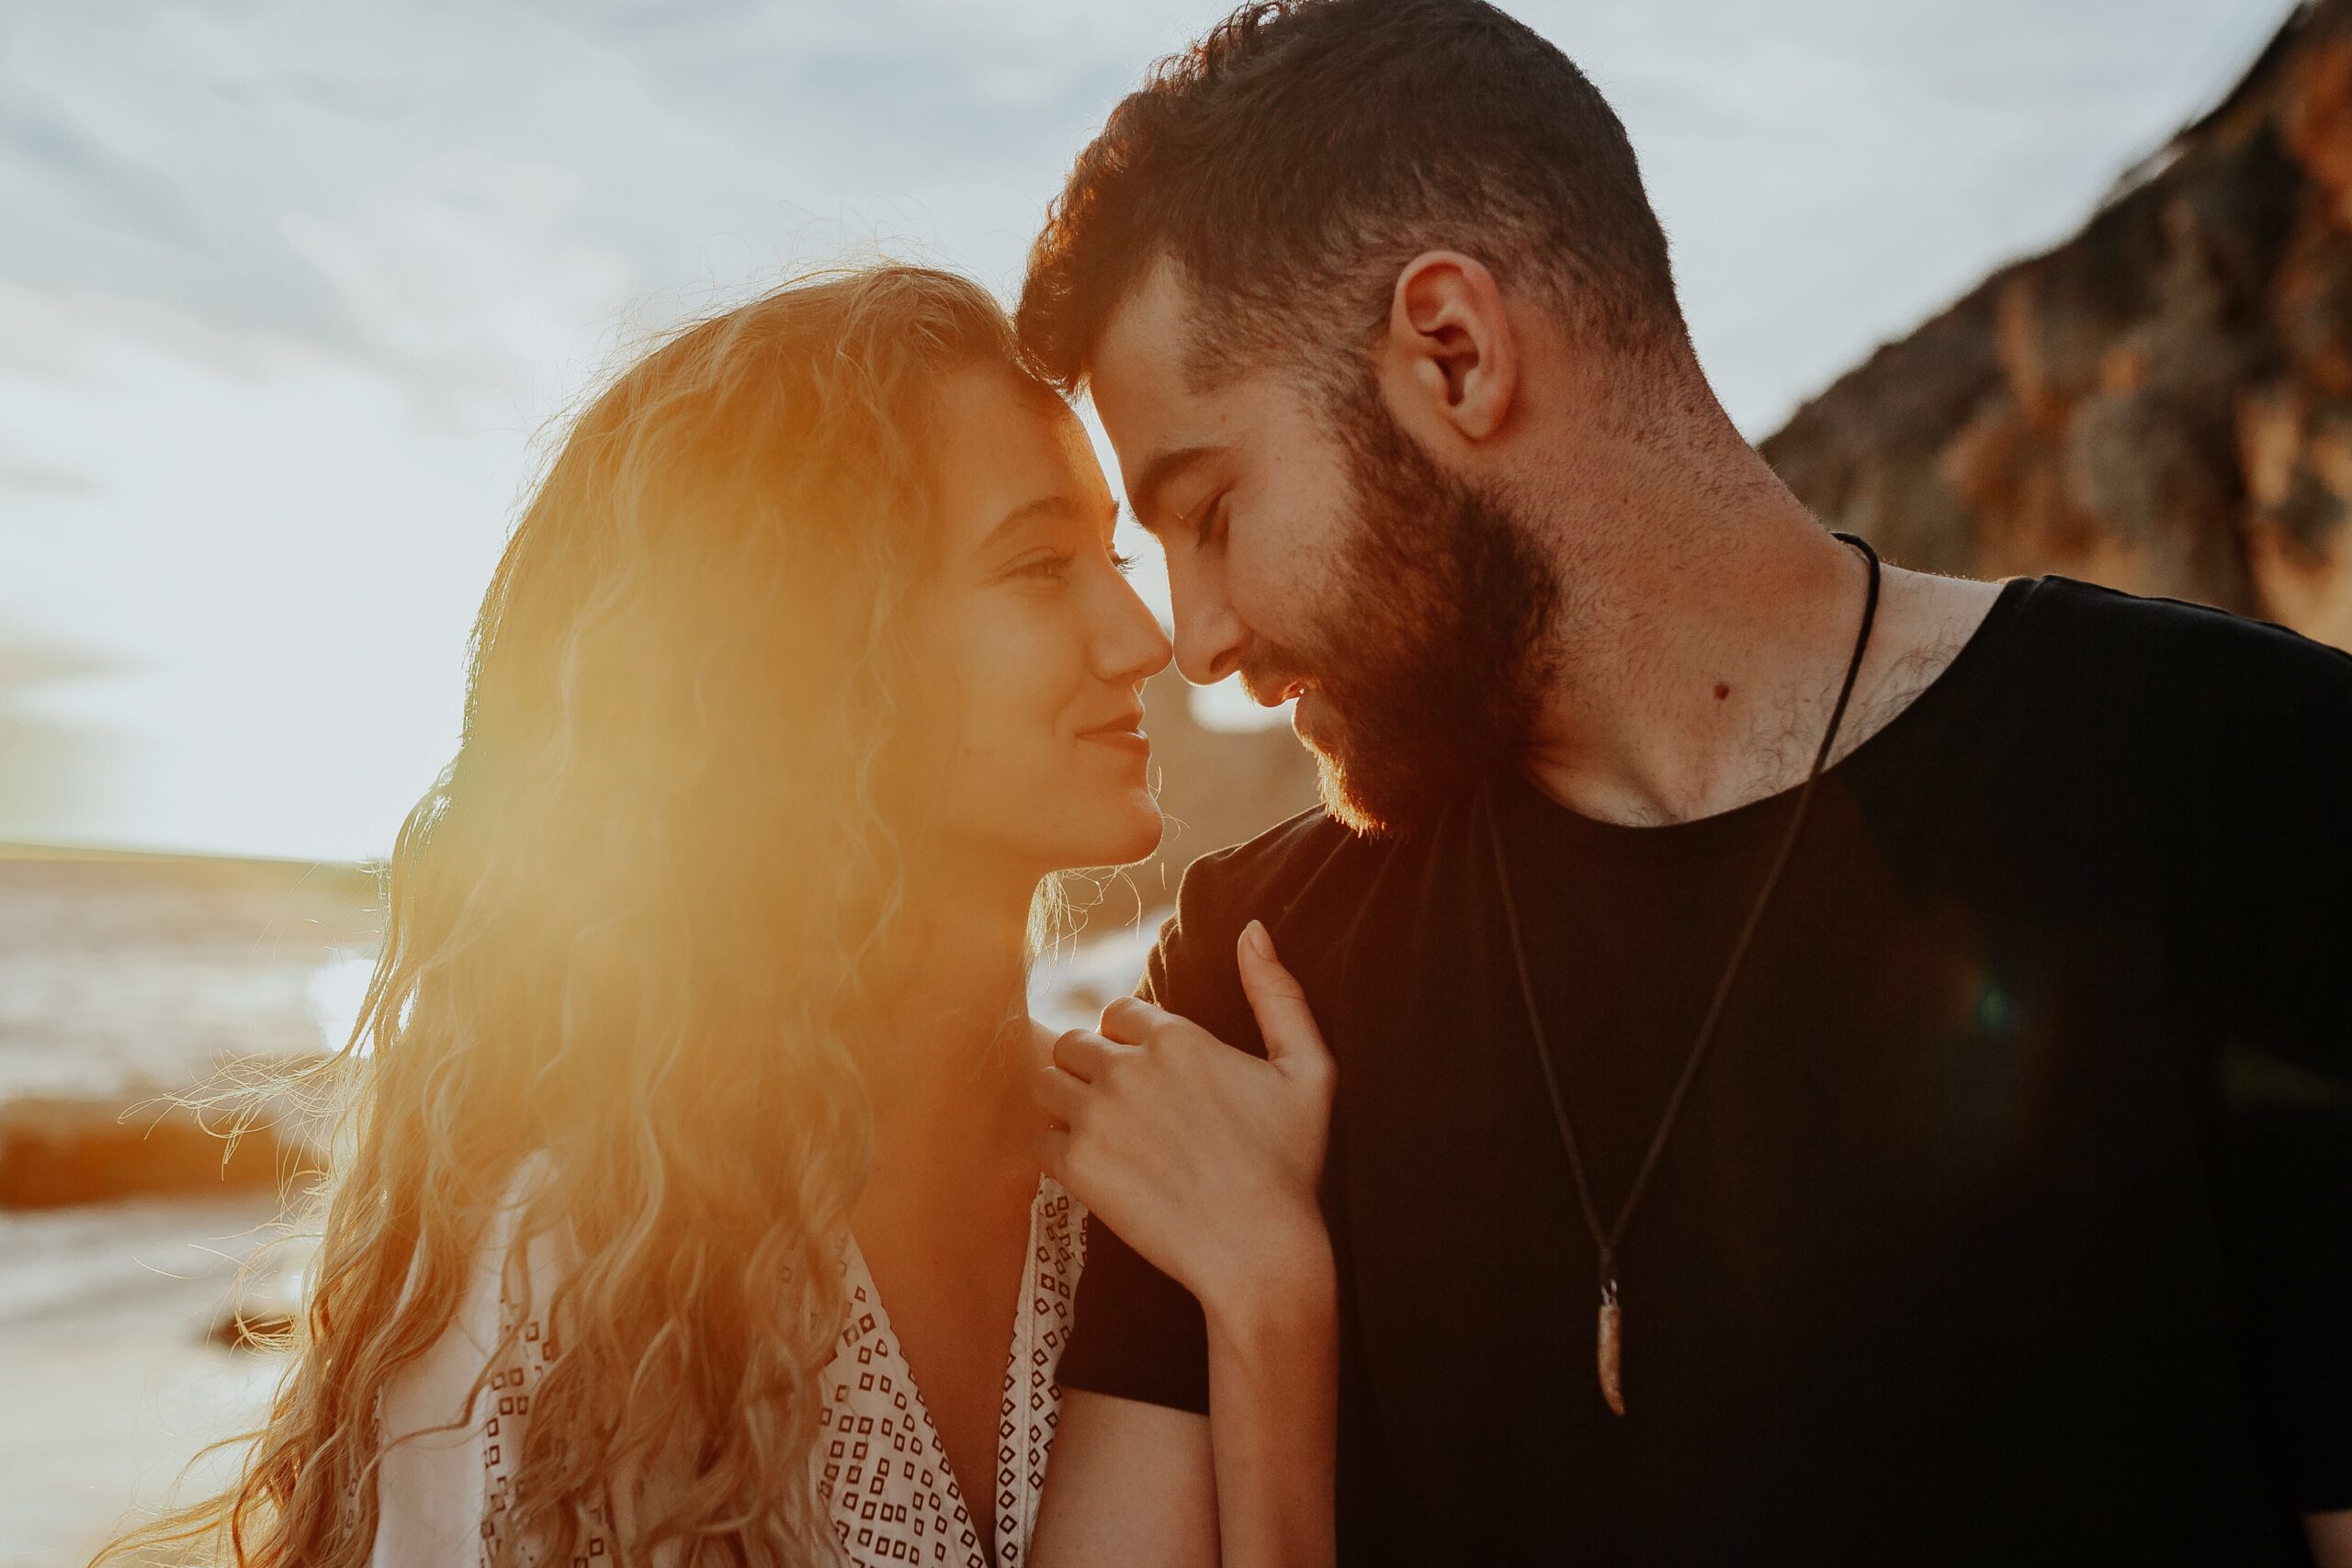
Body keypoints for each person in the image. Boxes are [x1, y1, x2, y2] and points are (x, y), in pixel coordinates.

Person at [1013, 3, 2352, 1565]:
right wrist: (1267, 1296)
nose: (1199, 639)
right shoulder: (1255, 988)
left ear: (1453, 352)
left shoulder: (2255, 788)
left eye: (1212, 507)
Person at [86, 267, 1329, 1568]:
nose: (1146, 639)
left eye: (1111, 559)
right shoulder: (571, 1286)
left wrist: (1265, 1292)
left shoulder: (1167, 1179)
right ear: (806, 658)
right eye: (1035, 568)